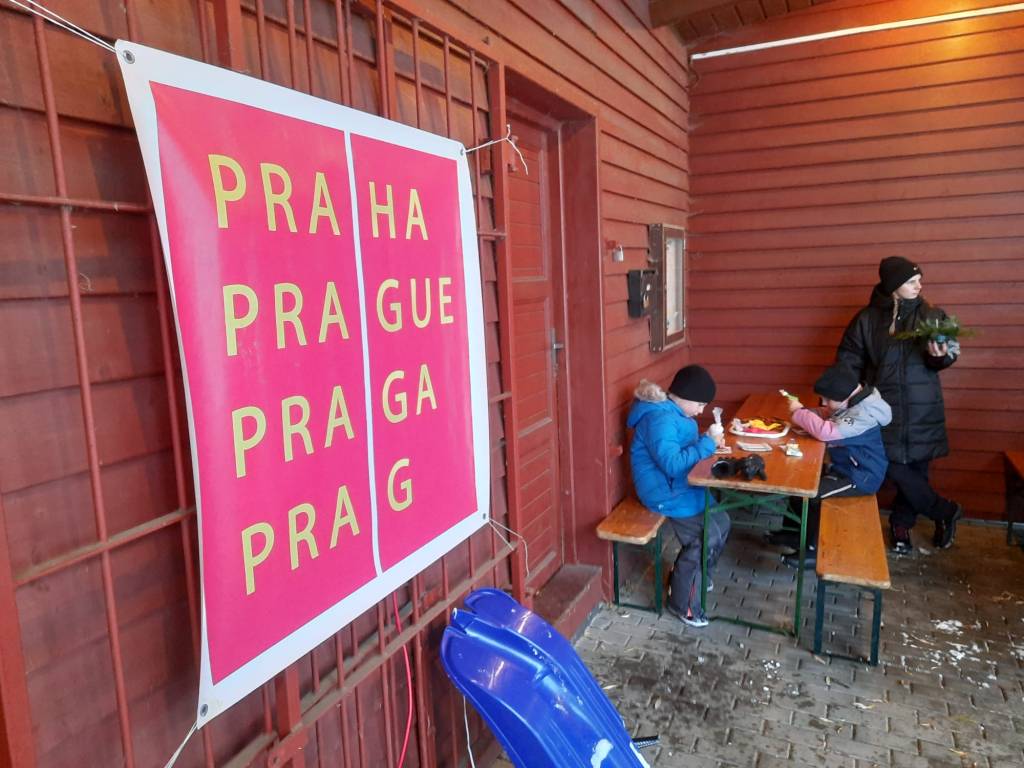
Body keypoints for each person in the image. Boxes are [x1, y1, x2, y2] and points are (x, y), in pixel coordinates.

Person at [835, 256, 963, 553]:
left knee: (918, 468)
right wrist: (846, 393)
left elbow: (949, 353)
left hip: (922, 407)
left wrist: (940, 356)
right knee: (888, 463)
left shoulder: (932, 315)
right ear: (893, 286)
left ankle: (901, 525)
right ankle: (945, 510)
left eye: (919, 280)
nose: (919, 286)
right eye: (911, 281)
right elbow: (848, 359)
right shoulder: (866, 320)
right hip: (881, 408)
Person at [626, 365, 729, 628]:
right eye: (700, 404)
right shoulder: (660, 420)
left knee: (722, 520)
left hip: (679, 485)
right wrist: (707, 443)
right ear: (684, 396)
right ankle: (682, 603)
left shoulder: (677, 415)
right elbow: (672, 464)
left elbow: (682, 454)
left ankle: (698, 576)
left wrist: (709, 443)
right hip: (663, 492)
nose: (701, 411)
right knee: (705, 537)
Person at [773, 364, 892, 568]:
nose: (824, 403)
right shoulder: (851, 404)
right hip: (844, 469)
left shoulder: (863, 415)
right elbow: (827, 413)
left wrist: (800, 413)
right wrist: (806, 414)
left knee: (812, 495)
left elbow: (826, 432)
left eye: (828, 399)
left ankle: (813, 551)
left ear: (844, 397)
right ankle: (794, 534)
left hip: (860, 477)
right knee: (799, 487)